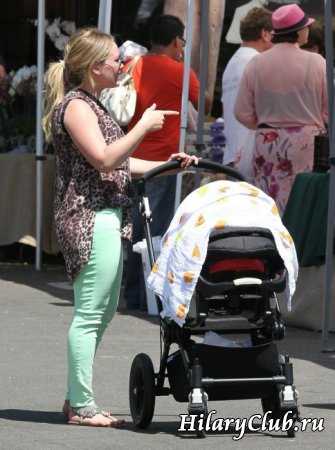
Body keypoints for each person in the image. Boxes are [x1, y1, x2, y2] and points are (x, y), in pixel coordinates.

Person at [42, 27, 197, 428]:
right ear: (95, 67)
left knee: (103, 310)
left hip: (105, 215)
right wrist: (143, 127)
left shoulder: (90, 103)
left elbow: (122, 162)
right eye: (115, 59)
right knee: (91, 313)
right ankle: (80, 404)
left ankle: (77, 397)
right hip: (90, 217)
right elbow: (105, 159)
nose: (122, 65)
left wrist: (166, 164)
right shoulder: (77, 106)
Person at [124, 14, 210, 310]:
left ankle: (131, 292)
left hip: (129, 155)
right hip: (164, 161)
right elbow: (204, 105)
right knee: (156, 232)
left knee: (133, 227)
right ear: (177, 41)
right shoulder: (181, 72)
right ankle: (152, 296)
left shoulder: (132, 64)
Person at [234, 3, 328, 215]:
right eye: (306, 27)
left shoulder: (256, 63)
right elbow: (328, 110)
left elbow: (241, 112)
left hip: (268, 140)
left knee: (269, 201)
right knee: (303, 201)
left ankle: (270, 243)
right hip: (307, 142)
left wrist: (264, 123)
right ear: (299, 31)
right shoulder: (317, 62)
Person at [221, 6, 272, 181]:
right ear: (265, 34)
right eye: (275, 36)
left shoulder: (234, 62)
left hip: (233, 154)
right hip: (249, 156)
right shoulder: (256, 62)